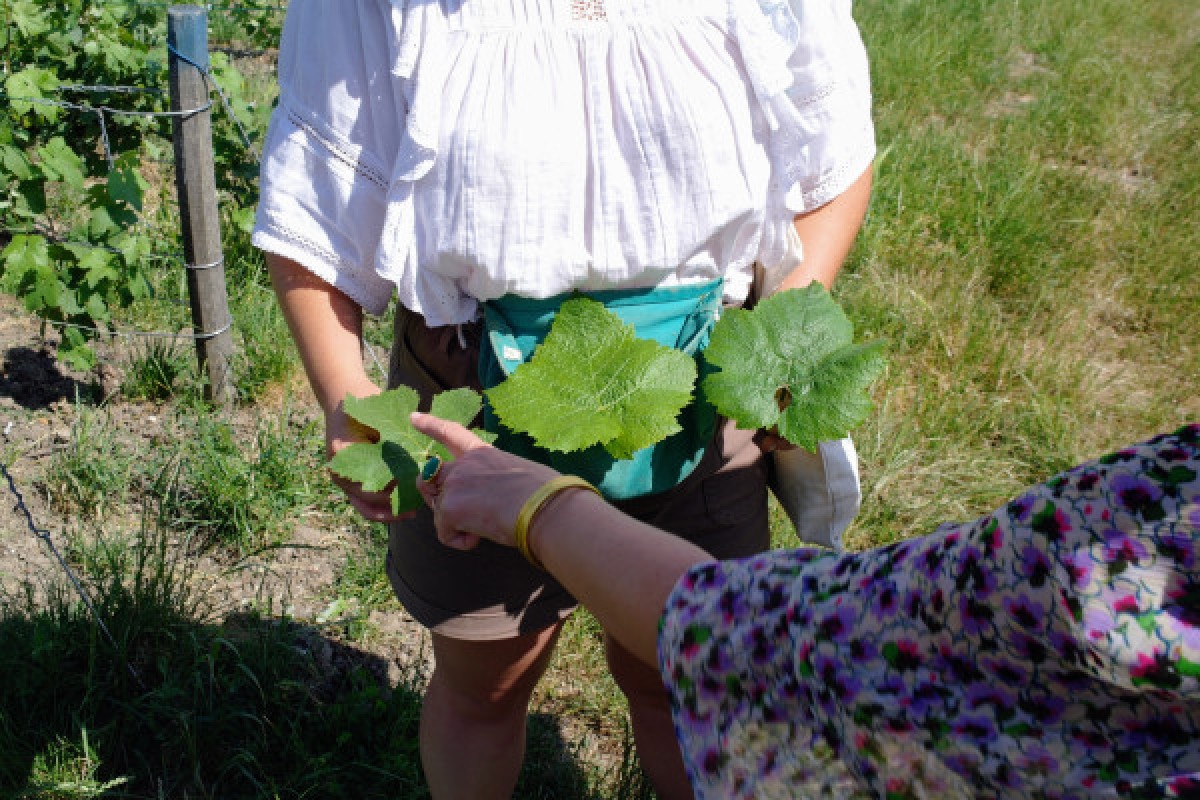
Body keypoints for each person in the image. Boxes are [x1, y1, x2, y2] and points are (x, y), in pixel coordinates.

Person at [254, 0, 875, 796]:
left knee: (685, 667)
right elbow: (318, 192)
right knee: (488, 680)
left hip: (699, 388)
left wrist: (781, 337)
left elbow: (832, 148)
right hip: (476, 394)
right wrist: (345, 392)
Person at [411, 413, 1200, 799]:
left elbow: (798, 638)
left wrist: (543, 512)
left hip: (682, 458)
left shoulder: (1145, 538)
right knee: (483, 689)